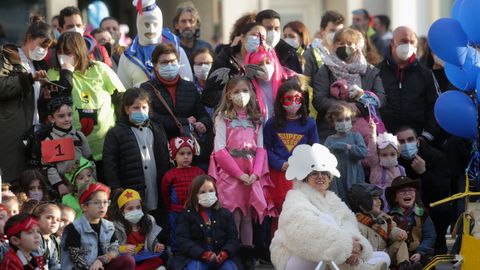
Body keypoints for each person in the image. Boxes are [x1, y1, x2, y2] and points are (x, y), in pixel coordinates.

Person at [270, 143, 388, 270]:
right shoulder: (296, 197)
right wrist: (346, 247)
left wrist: (357, 246)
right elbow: (303, 231)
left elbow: (349, 225)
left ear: (329, 178)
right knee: (328, 220)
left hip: (332, 255)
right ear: (305, 178)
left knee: (383, 256)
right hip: (295, 257)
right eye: (314, 173)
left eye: (324, 173)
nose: (320, 177)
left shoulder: (334, 201)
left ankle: (362, 265)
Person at [208, 76, 275, 264]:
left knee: (247, 216)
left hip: (252, 174)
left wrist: (255, 174)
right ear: (228, 95)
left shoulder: (257, 119)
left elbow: (261, 148)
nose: (241, 95)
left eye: (245, 91)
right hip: (231, 176)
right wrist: (239, 174)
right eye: (236, 91)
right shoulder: (223, 118)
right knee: (233, 216)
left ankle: (247, 256)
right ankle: (232, 256)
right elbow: (219, 150)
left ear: (252, 93)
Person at [47, 31, 126, 182]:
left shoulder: (100, 69)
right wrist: (66, 74)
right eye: (60, 53)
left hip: (106, 149)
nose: (64, 57)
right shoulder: (54, 74)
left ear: (80, 51)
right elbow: (59, 102)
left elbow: (122, 99)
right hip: (73, 154)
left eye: (69, 53)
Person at [0, 17, 53, 182]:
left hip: (32, 133)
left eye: (47, 47)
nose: (44, 50)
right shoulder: (7, 57)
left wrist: (45, 95)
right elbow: (2, 87)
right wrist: (28, 79)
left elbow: (34, 104)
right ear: (30, 38)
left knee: (31, 183)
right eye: (42, 44)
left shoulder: (37, 65)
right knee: (12, 181)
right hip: (10, 133)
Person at [139, 43, 212, 163]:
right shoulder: (147, 88)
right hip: (161, 148)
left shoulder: (189, 87)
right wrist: (185, 122)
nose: (169, 65)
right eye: (164, 63)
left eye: (173, 61)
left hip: (188, 150)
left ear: (178, 63)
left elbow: (202, 113)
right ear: (155, 65)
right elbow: (150, 118)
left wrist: (203, 123)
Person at [263, 79, 319, 232]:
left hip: (302, 176)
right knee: (281, 213)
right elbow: (265, 148)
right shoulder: (272, 124)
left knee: (303, 211)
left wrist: (306, 166)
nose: (293, 102)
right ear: (281, 100)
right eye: (289, 98)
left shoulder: (309, 123)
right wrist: (280, 163)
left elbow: (315, 148)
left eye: (297, 98)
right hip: (279, 175)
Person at [103, 87, 170, 213]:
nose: (141, 111)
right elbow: (110, 163)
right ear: (127, 109)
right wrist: (116, 187)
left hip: (157, 189)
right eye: (136, 107)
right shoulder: (116, 133)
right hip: (132, 193)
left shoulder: (156, 129)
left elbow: (165, 156)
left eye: (144, 107)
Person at [312, 27, 385, 141]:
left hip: (365, 132)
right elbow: (319, 100)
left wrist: (359, 107)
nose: (345, 47)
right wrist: (345, 109)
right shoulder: (325, 70)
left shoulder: (370, 71)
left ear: (357, 47)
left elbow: (380, 98)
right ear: (334, 45)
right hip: (331, 131)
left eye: (350, 43)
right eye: (340, 43)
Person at [396, 126, 451, 254]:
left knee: (443, 209)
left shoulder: (435, 156)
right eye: (402, 142)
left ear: (418, 141)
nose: (406, 145)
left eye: (410, 140)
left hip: (430, 202)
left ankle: (439, 245)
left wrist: (424, 173)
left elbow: (442, 191)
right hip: (405, 204)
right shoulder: (395, 159)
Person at [378, 26, 438, 142]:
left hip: (418, 141)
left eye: (412, 42)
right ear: (392, 42)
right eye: (404, 41)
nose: (408, 45)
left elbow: (434, 107)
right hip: (384, 145)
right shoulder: (377, 72)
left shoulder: (425, 74)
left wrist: (426, 136)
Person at [117, 0, 193, 89]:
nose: (151, 30)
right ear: (139, 24)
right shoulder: (128, 57)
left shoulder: (178, 51)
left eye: (155, 24)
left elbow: (188, 87)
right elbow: (122, 93)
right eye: (146, 24)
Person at [172, 174, 242, 270]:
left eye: (211, 191)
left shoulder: (225, 214)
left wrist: (225, 253)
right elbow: (183, 240)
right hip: (196, 257)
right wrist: (203, 254)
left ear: (216, 193)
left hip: (222, 258)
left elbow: (233, 239)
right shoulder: (186, 215)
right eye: (202, 192)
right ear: (194, 195)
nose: (207, 194)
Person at [61, 183, 136, 269]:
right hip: (85, 268)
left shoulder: (109, 226)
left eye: (105, 202)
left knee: (128, 260)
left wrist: (102, 260)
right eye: (97, 202)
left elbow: (115, 248)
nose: (102, 206)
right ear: (84, 206)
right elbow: (75, 258)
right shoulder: (74, 228)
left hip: (103, 265)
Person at [348, 183, 421, 270]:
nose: (379, 201)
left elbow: (392, 230)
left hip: (385, 253)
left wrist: (398, 233)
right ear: (363, 202)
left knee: (401, 243)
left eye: (379, 198)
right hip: (370, 259)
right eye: (374, 199)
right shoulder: (356, 223)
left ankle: (404, 266)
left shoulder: (384, 219)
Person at [201, 22, 265, 108]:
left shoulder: (265, 63)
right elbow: (207, 96)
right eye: (254, 35)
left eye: (262, 38)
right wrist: (231, 96)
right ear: (242, 38)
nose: (258, 40)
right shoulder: (224, 59)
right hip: (229, 116)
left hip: (256, 116)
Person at [42, 96, 92, 196]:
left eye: (69, 115)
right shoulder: (50, 140)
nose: (67, 119)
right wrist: (59, 185)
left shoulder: (79, 136)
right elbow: (48, 167)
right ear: (51, 118)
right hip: (66, 189)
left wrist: (93, 179)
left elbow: (89, 160)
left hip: (86, 185)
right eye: (61, 116)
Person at [161, 136, 203, 249]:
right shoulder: (169, 175)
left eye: (189, 153)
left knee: (196, 232)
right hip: (176, 213)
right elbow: (165, 193)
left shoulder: (198, 172)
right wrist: (170, 208)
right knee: (176, 233)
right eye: (181, 153)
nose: (186, 156)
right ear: (174, 156)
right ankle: (176, 252)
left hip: (196, 210)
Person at [110, 189, 168, 270]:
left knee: (160, 259)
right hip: (129, 261)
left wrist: (156, 246)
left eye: (138, 207)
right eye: (130, 208)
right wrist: (122, 249)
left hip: (145, 258)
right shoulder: (115, 226)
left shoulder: (148, 221)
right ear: (122, 211)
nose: (135, 211)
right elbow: (110, 248)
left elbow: (153, 242)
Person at [386, 176, 436, 266]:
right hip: (396, 257)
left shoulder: (423, 214)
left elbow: (429, 236)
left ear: (415, 194)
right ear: (395, 198)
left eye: (411, 190)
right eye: (402, 191)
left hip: (418, 255)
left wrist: (420, 252)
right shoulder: (388, 217)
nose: (407, 193)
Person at [324, 103, 367, 203]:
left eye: (347, 119)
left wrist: (349, 147)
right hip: (337, 179)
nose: (344, 122)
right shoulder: (330, 140)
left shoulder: (355, 136)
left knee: (357, 201)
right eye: (339, 120)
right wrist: (331, 149)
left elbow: (363, 153)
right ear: (332, 122)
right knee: (340, 202)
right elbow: (324, 160)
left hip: (354, 176)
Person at [244, 37, 291, 120]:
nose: (265, 67)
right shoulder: (246, 88)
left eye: (268, 62)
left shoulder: (287, 83)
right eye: (260, 64)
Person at [366, 125, 405, 209]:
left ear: (397, 154)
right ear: (378, 155)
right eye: (384, 155)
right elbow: (371, 153)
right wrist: (373, 133)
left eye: (392, 154)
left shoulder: (401, 170)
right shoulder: (376, 167)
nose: (389, 157)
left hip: (398, 205)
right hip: (380, 205)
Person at [304, 11, 345, 84]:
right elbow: (306, 83)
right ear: (322, 31)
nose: (337, 35)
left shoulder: (345, 52)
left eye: (340, 31)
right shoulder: (310, 54)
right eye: (332, 30)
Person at [31, 203, 61, 270]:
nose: (54, 222)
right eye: (49, 217)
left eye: (58, 220)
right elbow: (38, 264)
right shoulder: (34, 239)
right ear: (36, 219)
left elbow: (54, 265)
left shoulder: (52, 242)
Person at [192, 48, 215, 116]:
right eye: (199, 64)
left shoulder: (221, 86)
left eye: (207, 63)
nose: (203, 66)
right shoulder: (188, 87)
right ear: (193, 66)